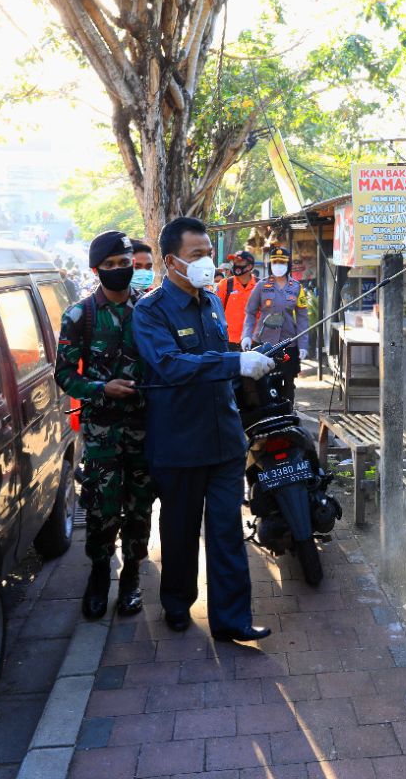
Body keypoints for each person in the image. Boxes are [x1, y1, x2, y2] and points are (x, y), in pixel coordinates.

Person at [133, 216, 277, 642]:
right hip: (178, 445)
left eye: (209, 254)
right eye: (197, 255)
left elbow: (223, 364)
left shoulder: (213, 303)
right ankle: (177, 603)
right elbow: (170, 365)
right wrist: (235, 363)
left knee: (227, 532)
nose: (206, 263)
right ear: (171, 260)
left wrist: (252, 360)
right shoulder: (150, 311)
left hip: (225, 440)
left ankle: (232, 619)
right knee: (178, 532)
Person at [55, 231, 154, 620]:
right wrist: (102, 388)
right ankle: (99, 576)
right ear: (96, 271)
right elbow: (64, 374)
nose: (119, 271)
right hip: (101, 435)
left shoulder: (148, 311)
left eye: (124, 263)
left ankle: (130, 578)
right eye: (109, 266)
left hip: (144, 430)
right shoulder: (80, 316)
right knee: (100, 510)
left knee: (140, 508)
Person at [241, 245, 307, 401]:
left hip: (288, 345)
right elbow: (250, 312)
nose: (278, 265)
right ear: (270, 264)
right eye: (275, 262)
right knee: (264, 382)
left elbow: (303, 317)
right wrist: (246, 336)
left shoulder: (297, 287)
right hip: (264, 342)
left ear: (288, 265)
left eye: (282, 262)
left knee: (288, 382)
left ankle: (288, 412)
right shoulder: (261, 286)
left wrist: (303, 344)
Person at [215, 248, 258, 351]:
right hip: (230, 344)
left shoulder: (259, 286)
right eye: (234, 261)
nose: (236, 264)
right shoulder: (225, 285)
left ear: (249, 266)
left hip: (255, 343)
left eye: (240, 262)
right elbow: (214, 312)